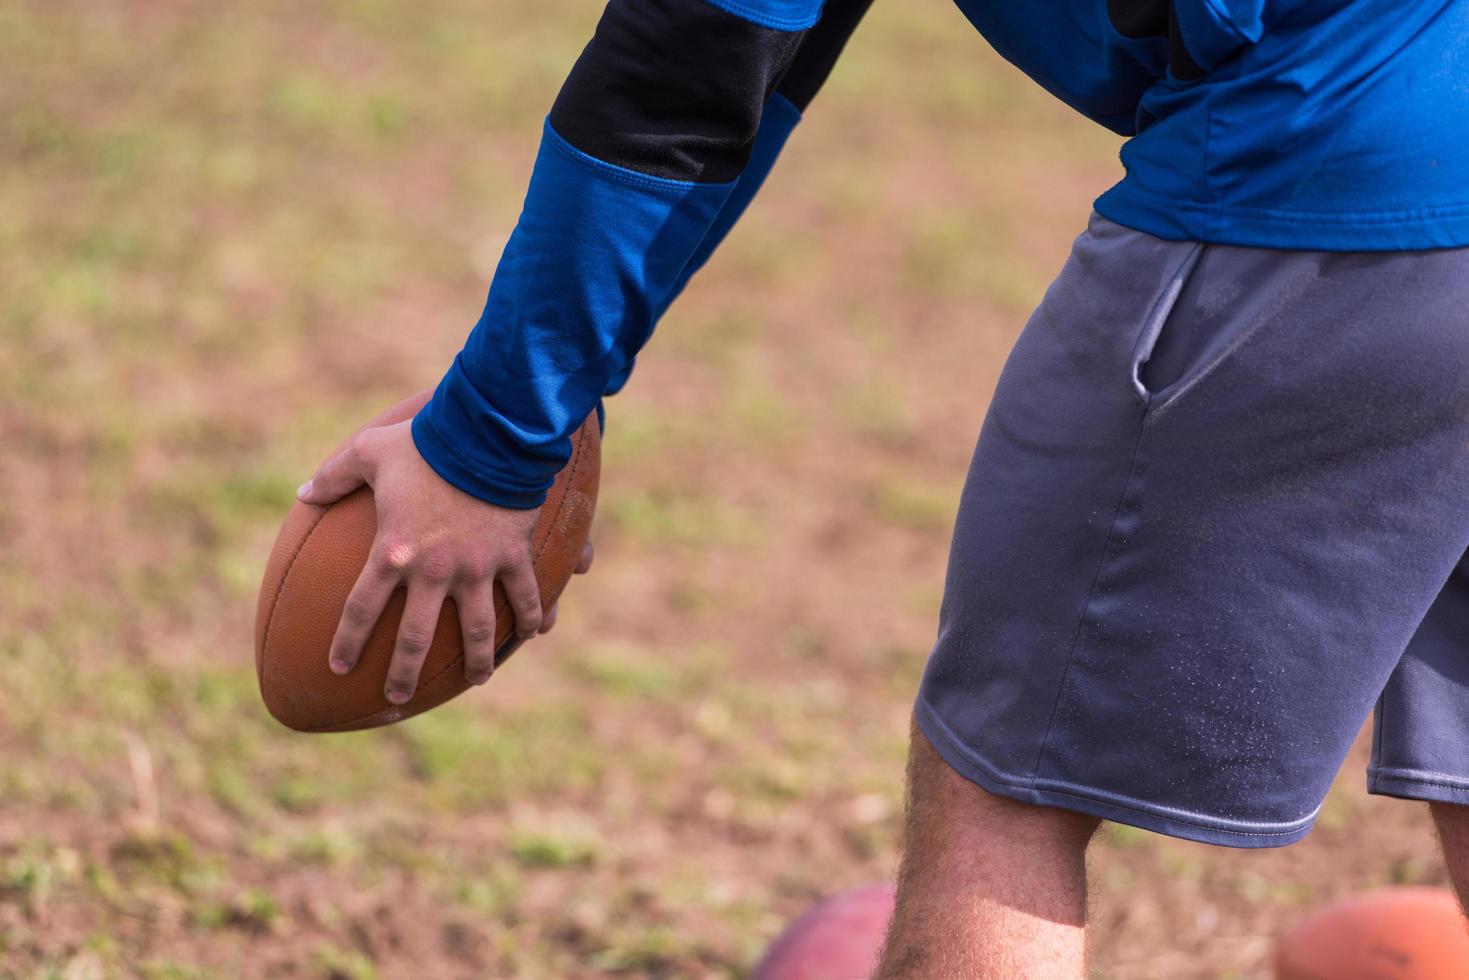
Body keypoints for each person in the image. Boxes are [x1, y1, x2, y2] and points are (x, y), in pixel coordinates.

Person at [295, 0, 1469, 974]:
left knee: (1003, 793)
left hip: (1333, 172)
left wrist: (490, 444)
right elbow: (765, 55)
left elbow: (692, 57)